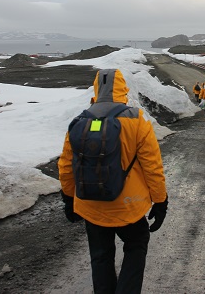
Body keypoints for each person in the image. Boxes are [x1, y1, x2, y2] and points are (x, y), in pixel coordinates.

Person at [58, 68, 168, 294]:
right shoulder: (136, 120)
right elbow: (152, 166)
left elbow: (66, 166)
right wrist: (160, 201)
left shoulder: (80, 120)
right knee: (135, 247)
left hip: (92, 206)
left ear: (97, 89)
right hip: (129, 205)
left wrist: (69, 199)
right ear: (122, 89)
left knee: (100, 257)